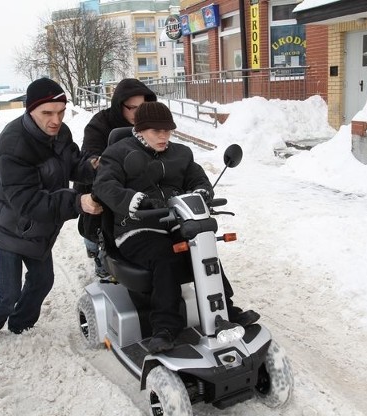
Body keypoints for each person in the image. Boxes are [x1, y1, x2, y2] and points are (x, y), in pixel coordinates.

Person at [93, 101, 259, 354]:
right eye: (156, 131)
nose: (163, 137)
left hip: (176, 222)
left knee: (204, 246)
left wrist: (203, 190)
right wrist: (134, 200)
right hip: (136, 228)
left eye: (167, 130)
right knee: (165, 256)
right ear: (140, 130)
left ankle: (226, 310)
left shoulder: (181, 153)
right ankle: (165, 327)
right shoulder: (118, 153)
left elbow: (197, 176)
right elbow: (104, 186)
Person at [0, 77, 103, 357]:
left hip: (37, 228)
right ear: (30, 110)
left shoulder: (60, 133)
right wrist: (78, 202)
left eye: (60, 111)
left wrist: (95, 167)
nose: (56, 120)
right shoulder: (11, 145)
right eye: (47, 112)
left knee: (43, 280)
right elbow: (28, 202)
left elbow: (73, 164)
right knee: (8, 291)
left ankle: (21, 325)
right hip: (5, 228)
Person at [76, 78, 157, 278]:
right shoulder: (99, 125)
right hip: (100, 184)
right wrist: (106, 165)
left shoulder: (148, 124)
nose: (139, 114)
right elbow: (91, 158)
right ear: (119, 105)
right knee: (98, 218)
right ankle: (97, 252)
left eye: (144, 107)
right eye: (133, 108)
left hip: (137, 184)